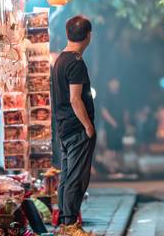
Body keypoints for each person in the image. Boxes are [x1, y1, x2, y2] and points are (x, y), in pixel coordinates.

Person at [51, 16, 95, 236]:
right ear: (88, 36)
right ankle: (70, 226)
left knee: (67, 176)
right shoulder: (76, 62)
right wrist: (88, 126)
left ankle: (66, 224)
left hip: (63, 128)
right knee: (76, 178)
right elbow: (75, 99)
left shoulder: (60, 60)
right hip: (76, 129)